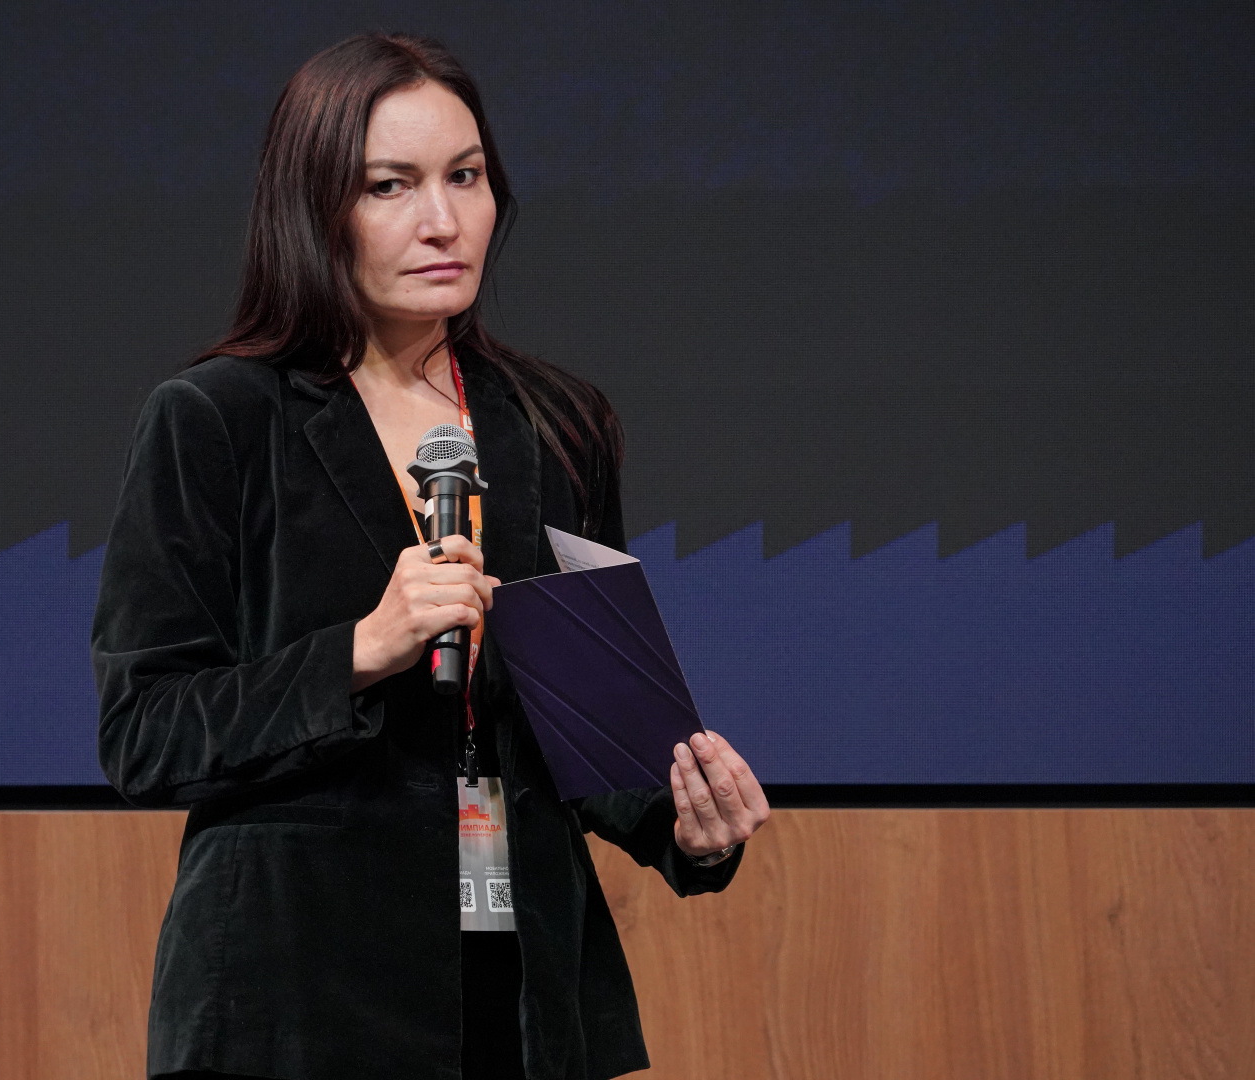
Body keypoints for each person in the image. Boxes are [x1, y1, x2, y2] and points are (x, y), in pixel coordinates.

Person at [91, 32, 769, 1080]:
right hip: (295, 999)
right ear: (315, 207)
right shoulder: (217, 419)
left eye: (466, 176)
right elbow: (146, 733)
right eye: (390, 186)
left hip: (518, 995)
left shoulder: (556, 423)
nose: (443, 221)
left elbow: (589, 725)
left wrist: (686, 823)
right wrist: (361, 649)